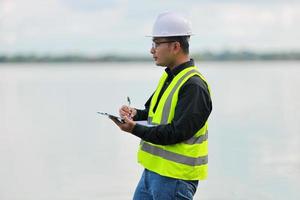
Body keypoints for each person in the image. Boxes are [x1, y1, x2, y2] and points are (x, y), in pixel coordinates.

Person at [110, 11, 212, 200]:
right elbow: (154, 114)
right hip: (152, 173)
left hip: (175, 180)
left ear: (175, 46)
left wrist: (134, 129)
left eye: (157, 44)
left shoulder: (194, 86)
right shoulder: (170, 77)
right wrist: (134, 114)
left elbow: (176, 132)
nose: (152, 50)